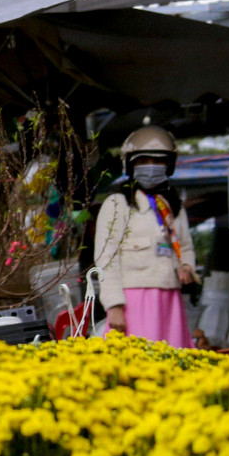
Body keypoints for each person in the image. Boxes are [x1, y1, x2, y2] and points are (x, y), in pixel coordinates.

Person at [94, 125, 198, 347]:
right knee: (137, 364)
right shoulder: (117, 204)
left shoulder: (173, 205)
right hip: (133, 301)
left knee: (175, 361)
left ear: (169, 165)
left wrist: (187, 267)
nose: (151, 167)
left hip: (170, 300)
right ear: (130, 165)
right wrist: (114, 306)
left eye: (159, 161)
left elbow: (186, 247)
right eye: (143, 161)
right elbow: (106, 259)